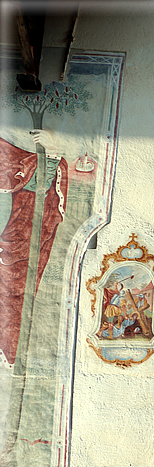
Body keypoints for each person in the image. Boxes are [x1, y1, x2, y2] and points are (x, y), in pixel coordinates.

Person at [0, 131, 68, 363]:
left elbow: (42, 189)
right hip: (11, 239)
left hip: (17, 245)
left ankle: (11, 355)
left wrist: (50, 153)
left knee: (15, 298)